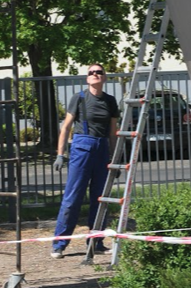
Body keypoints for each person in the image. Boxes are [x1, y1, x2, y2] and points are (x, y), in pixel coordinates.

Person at [51, 64, 119, 258]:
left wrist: (114, 158)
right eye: (91, 73)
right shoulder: (79, 98)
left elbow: (113, 133)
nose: (95, 75)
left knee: (100, 199)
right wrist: (60, 154)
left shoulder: (110, 101)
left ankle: (96, 243)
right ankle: (59, 244)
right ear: (87, 78)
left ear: (104, 77)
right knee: (72, 199)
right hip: (82, 148)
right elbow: (65, 128)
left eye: (99, 72)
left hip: (102, 150)